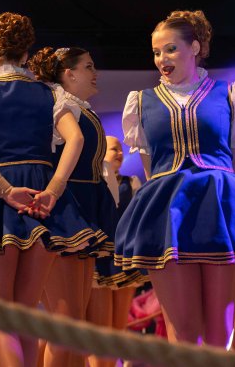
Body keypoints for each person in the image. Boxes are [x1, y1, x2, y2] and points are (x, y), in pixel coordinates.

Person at [0, 12, 102, 367]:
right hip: (43, 199)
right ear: (26, 54)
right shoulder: (51, 93)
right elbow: (75, 139)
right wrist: (54, 190)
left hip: (1, 198)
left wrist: (3, 187)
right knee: (25, 311)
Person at [115, 10, 235, 347]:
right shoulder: (141, 102)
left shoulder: (229, 94)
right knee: (183, 328)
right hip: (169, 214)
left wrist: (234, 210)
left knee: (220, 328)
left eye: (171, 49)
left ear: (194, 48)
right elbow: (152, 171)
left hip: (218, 209)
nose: (162, 59)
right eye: (156, 52)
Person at [29, 46, 117, 367]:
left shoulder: (79, 108)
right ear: (70, 74)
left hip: (85, 210)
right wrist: (54, 190)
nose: (95, 73)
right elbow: (67, 146)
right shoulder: (59, 103)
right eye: (88, 67)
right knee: (65, 321)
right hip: (66, 211)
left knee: (74, 320)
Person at [87, 136, 147, 367]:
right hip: (99, 259)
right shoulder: (93, 182)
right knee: (101, 332)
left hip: (123, 259)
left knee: (118, 330)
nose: (120, 153)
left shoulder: (131, 183)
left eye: (121, 149)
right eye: (114, 149)